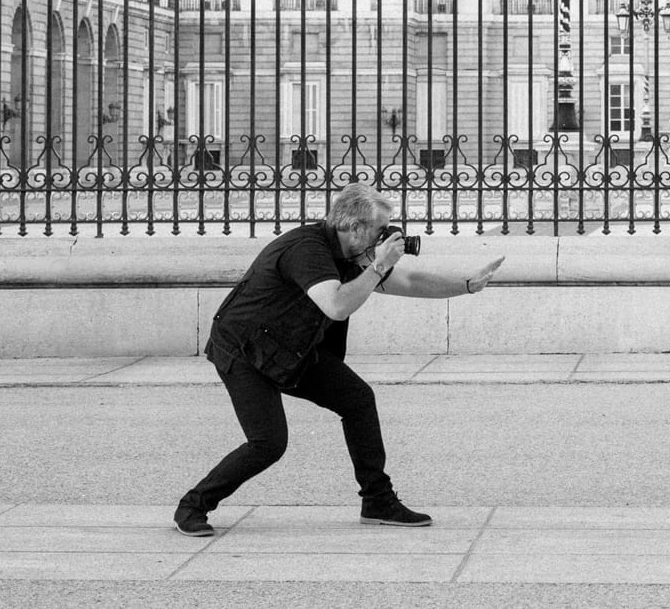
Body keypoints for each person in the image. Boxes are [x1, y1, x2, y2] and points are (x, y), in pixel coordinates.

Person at [173, 183, 505, 537]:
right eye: (380, 230)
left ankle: (378, 501)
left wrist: (466, 284)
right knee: (268, 443)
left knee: (358, 400)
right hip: (244, 350)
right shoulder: (307, 250)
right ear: (354, 227)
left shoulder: (354, 255)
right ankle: (192, 506)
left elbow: (408, 280)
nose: (386, 237)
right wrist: (377, 266)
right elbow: (336, 304)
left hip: (293, 348)